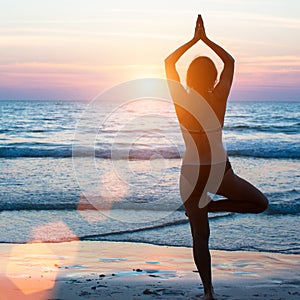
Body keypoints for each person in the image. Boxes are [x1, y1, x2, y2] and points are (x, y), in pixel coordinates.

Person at [164, 15, 268, 300]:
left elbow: (168, 64)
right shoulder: (218, 97)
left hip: (190, 175)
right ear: (212, 77)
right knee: (260, 203)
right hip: (218, 173)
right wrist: (206, 40)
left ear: (189, 77)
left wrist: (193, 41)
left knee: (200, 237)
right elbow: (230, 63)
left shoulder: (180, 100)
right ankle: (211, 209)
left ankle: (209, 292)